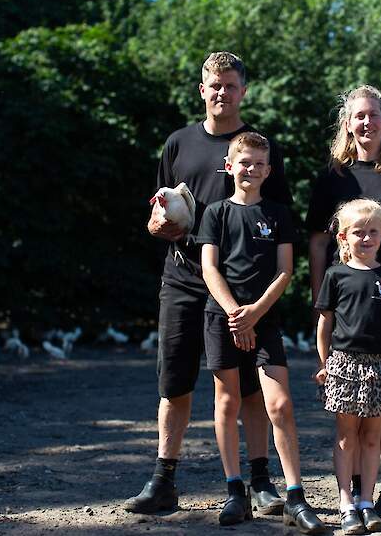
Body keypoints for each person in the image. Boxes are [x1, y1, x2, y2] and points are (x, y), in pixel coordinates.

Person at [127, 52, 292, 515]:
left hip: (241, 289)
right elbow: (157, 213)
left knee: (249, 388)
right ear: (202, 90)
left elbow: (277, 220)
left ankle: (260, 482)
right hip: (182, 279)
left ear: (244, 91)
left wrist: (259, 299)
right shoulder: (178, 143)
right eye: (214, 85)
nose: (222, 93)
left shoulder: (258, 148)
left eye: (231, 86)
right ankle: (163, 480)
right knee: (174, 383)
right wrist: (157, 226)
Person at [197, 131, 325, 533]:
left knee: (280, 404)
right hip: (223, 318)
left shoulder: (278, 213)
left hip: (264, 318)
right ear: (229, 166)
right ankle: (236, 492)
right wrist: (236, 313)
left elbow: (286, 270)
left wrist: (255, 313)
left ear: (269, 170)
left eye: (259, 163)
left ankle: (295, 497)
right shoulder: (215, 212)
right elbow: (209, 268)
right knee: (227, 402)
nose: (251, 169)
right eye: (244, 162)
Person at [305, 84, 381, 510]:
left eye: (374, 114)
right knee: (352, 406)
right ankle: (359, 490)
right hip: (348, 305)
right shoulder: (334, 178)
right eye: (359, 116)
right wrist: (323, 296)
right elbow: (318, 243)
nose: (367, 122)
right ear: (348, 123)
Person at [314, 199, 381, 534]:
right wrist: (325, 363)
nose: (366, 238)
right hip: (344, 364)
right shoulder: (335, 275)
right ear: (344, 237)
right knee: (346, 436)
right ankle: (346, 503)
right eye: (358, 232)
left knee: (373, 438)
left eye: (373, 231)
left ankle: (367, 501)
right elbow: (324, 325)